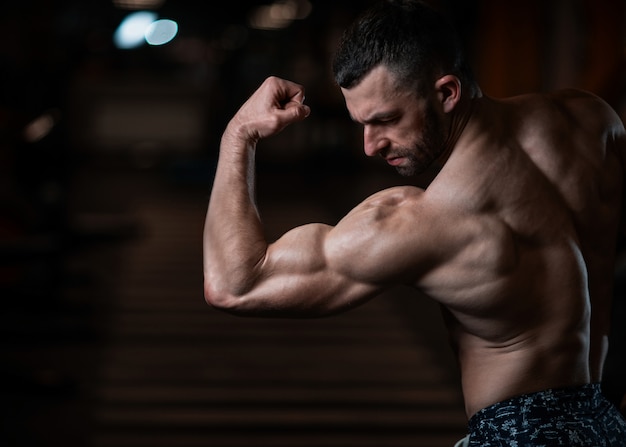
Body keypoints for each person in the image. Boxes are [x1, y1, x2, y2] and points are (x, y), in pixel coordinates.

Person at [203, 0, 626, 445]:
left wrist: (239, 134)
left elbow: (235, 285)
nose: (370, 146)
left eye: (385, 120)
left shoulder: (424, 220)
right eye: (361, 124)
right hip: (606, 422)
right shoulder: (592, 122)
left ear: (446, 93)